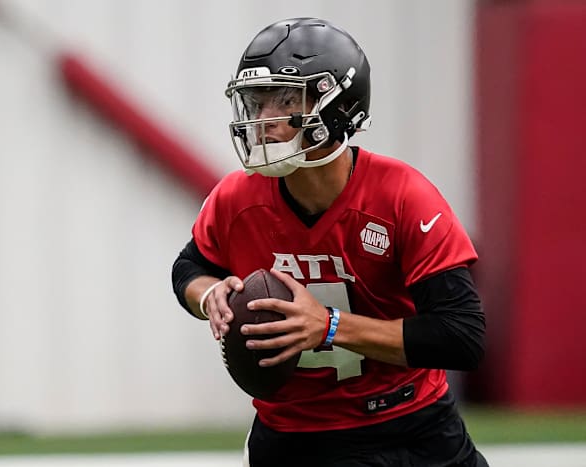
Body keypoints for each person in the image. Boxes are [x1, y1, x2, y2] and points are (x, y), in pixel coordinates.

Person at [171, 17, 488, 467]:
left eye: (283, 100)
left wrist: (331, 326)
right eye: (256, 102)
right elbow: (188, 268)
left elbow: (461, 337)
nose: (262, 120)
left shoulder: (400, 195)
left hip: (411, 428)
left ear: (338, 105)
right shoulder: (237, 197)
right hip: (294, 437)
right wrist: (210, 296)